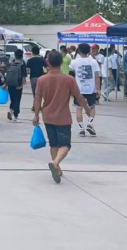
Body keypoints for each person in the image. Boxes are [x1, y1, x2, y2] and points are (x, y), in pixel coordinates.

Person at [33, 51, 91, 184]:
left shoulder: (42, 79)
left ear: (48, 62)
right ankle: (55, 163)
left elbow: (37, 99)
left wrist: (36, 115)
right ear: (61, 63)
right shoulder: (69, 79)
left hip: (47, 116)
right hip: (63, 117)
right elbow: (79, 97)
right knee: (65, 145)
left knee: (53, 144)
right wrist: (87, 109)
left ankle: (58, 169)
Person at [69, 43, 100, 137]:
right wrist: (98, 89)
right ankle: (90, 123)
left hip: (79, 89)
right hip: (91, 89)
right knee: (92, 107)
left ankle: (81, 129)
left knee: (79, 109)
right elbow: (97, 76)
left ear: (79, 51)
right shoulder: (93, 62)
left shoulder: (74, 62)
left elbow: (71, 76)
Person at [5, 49, 27, 123]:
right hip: (18, 84)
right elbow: (24, 75)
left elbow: (7, 74)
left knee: (13, 99)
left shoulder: (11, 63)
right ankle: (16, 116)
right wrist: (22, 84)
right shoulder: (22, 64)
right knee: (17, 100)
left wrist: (6, 84)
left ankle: (10, 110)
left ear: (15, 55)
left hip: (10, 84)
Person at [27, 45, 45, 112]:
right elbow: (47, 68)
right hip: (41, 78)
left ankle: (35, 106)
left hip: (33, 78)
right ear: (39, 52)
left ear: (32, 52)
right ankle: (37, 106)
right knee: (40, 93)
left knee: (35, 93)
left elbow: (27, 70)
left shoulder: (29, 60)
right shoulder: (42, 60)